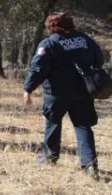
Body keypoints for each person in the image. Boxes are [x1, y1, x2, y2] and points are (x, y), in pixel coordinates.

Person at [24, 12, 104, 178]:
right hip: (83, 91)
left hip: (57, 93)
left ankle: (50, 157)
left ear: (52, 27)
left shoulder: (49, 43)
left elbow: (38, 68)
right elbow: (99, 58)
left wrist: (28, 89)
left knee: (53, 122)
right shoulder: (84, 39)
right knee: (83, 126)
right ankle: (89, 166)